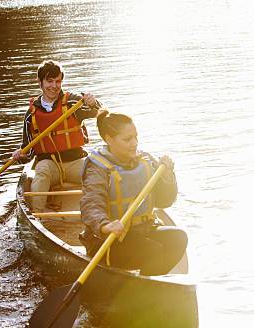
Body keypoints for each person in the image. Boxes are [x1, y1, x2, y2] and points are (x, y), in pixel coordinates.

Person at [80, 110, 187, 275]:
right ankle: (148, 289)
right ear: (109, 139)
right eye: (127, 139)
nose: (134, 143)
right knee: (152, 250)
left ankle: (149, 283)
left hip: (142, 231)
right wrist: (105, 225)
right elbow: (91, 204)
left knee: (178, 238)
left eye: (135, 137)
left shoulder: (145, 160)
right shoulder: (98, 168)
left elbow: (164, 202)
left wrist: (167, 176)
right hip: (107, 240)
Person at [12, 60, 101, 210]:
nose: (54, 86)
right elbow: (29, 152)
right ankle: (38, 216)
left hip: (75, 162)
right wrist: (19, 155)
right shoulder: (31, 114)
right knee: (41, 172)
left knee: (98, 173)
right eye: (49, 81)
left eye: (58, 81)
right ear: (40, 82)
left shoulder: (73, 102)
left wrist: (93, 103)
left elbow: (98, 112)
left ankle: (99, 213)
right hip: (49, 166)